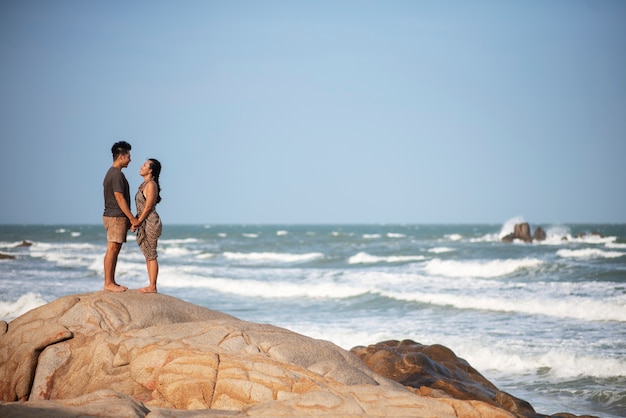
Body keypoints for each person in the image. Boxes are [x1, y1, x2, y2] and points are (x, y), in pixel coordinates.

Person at [102, 141, 138, 292]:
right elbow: (119, 198)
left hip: (113, 216)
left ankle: (110, 281)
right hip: (116, 216)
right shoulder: (116, 174)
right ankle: (109, 283)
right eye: (128, 156)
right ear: (121, 156)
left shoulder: (113, 173)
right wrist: (132, 218)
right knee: (113, 249)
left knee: (113, 249)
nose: (130, 159)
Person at [132, 158, 163, 293]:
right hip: (144, 221)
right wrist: (135, 221)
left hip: (150, 222)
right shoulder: (144, 184)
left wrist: (138, 221)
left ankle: (152, 286)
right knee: (147, 254)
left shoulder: (151, 185)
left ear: (150, 170)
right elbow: (141, 207)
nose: (141, 167)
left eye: (144, 165)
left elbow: (149, 206)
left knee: (151, 254)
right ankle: (151, 284)